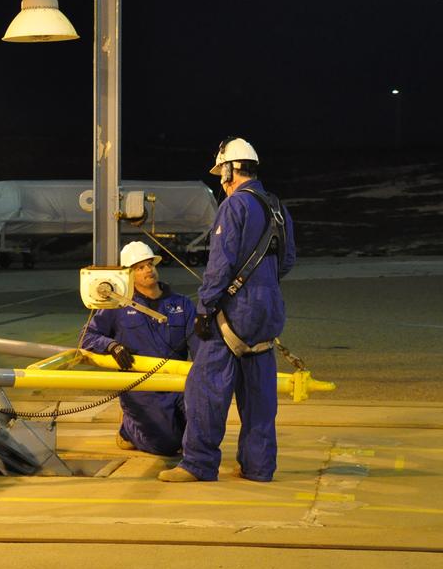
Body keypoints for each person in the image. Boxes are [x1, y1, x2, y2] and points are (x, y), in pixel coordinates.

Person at [159, 137, 296, 483]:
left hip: (233, 314)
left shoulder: (234, 206)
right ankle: (258, 467)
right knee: (259, 396)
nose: (222, 180)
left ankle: (199, 464)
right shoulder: (277, 206)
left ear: (231, 170)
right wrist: (261, 285)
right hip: (269, 311)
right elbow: (288, 260)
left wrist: (206, 309)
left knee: (206, 388)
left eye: (222, 172)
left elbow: (220, 265)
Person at [80, 240, 194, 456]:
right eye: (140, 267)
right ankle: (128, 430)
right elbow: (87, 336)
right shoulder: (117, 306)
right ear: (129, 275)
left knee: (203, 429)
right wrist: (111, 345)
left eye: (150, 264)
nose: (148, 270)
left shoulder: (182, 304)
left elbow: (199, 344)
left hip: (176, 384)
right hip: (141, 389)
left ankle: (177, 430)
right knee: (166, 446)